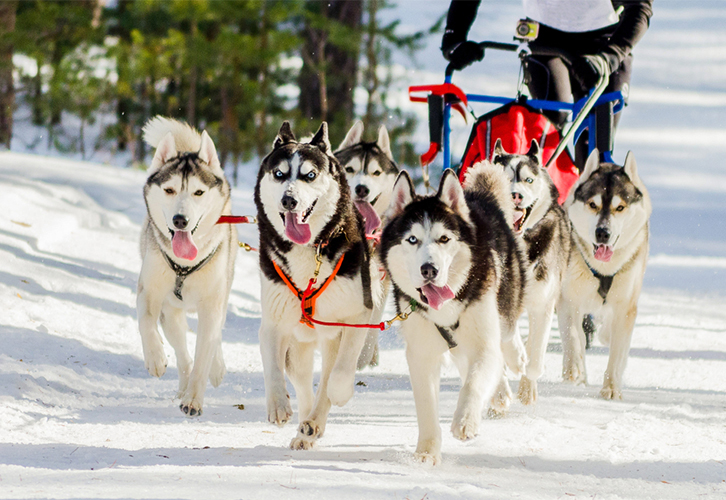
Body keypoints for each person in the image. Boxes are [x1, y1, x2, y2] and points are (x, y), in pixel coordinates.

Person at [441, 0, 653, 170]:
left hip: (605, 43)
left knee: (593, 156)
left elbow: (640, 8)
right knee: (548, 132)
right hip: (543, 37)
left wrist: (608, 58)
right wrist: (454, 37)